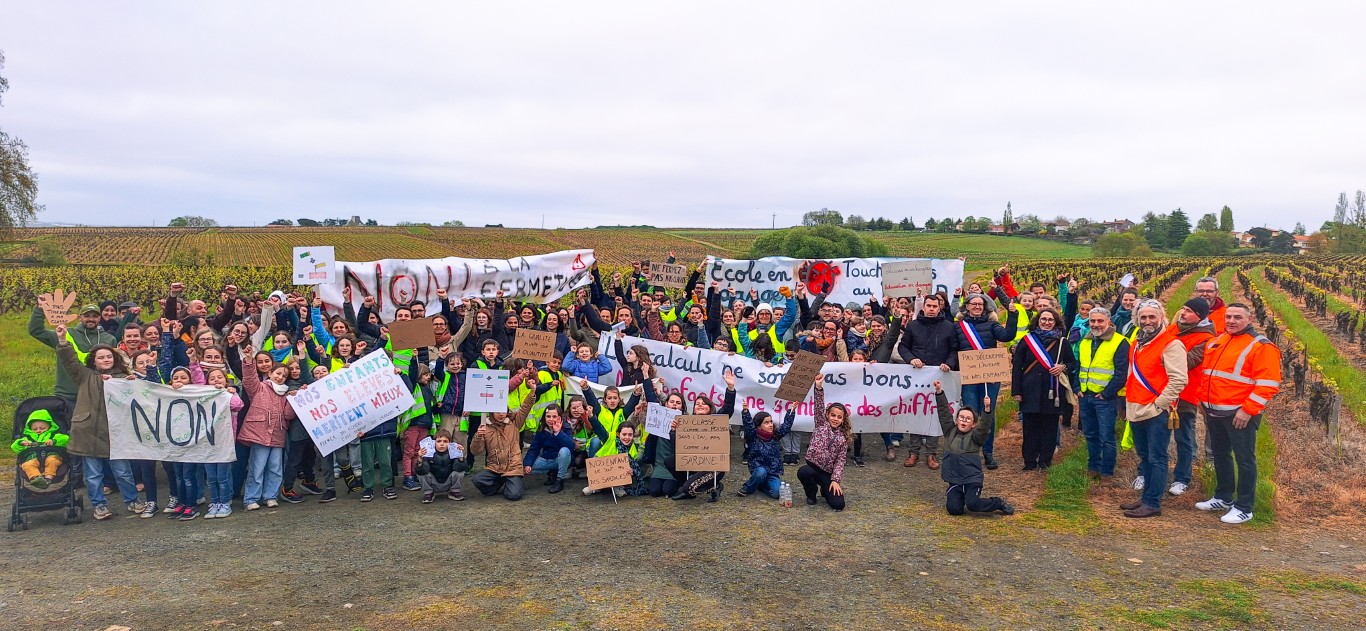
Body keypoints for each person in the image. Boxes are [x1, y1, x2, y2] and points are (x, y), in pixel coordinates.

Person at [1195, 303, 1282, 525]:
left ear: (1249, 318)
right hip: (1213, 411)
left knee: (1245, 459)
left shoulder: (1261, 346)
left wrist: (1247, 411)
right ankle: (1223, 497)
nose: (1232, 321)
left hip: (1239, 413)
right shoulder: (1218, 340)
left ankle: (1244, 507)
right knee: (1220, 454)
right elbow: (1206, 374)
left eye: (1237, 317)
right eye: (1229, 316)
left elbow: (1268, 384)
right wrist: (1201, 400)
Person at [55, 324, 143, 521]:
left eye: (109, 356)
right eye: (101, 357)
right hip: (88, 432)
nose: (105, 359)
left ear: (115, 359)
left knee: (123, 472)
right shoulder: (84, 376)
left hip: (115, 433)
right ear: (93, 361)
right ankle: (99, 506)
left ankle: (132, 501)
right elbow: (69, 361)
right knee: (93, 475)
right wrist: (62, 340)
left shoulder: (123, 378)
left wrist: (132, 383)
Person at [1119, 299, 1188, 519]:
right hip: (1137, 408)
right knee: (1144, 456)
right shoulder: (1137, 342)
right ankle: (1146, 497)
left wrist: (1159, 404)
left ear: (1161, 318)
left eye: (1152, 317)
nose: (1147, 321)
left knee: (1157, 457)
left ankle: (1153, 502)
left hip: (1155, 411)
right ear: (1137, 319)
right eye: (1143, 317)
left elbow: (1179, 379)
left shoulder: (1171, 343)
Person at [954, 293, 1021, 470]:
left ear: (985, 307)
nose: (977, 307)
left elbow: (1006, 336)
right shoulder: (959, 327)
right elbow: (953, 348)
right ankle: (970, 452)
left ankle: (988, 453)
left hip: (990, 376)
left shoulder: (992, 325)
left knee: (988, 414)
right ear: (966, 306)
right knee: (970, 413)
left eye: (980, 304)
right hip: (969, 377)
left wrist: (1013, 315)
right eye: (973, 304)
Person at [933, 380, 1014, 516]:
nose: (964, 421)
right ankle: (958, 497)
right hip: (955, 479)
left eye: (968, 419)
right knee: (954, 510)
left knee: (973, 505)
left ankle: (997, 503)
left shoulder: (976, 437)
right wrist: (939, 392)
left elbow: (984, 427)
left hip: (972, 479)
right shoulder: (949, 431)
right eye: (962, 418)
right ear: (956, 420)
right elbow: (943, 412)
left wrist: (987, 409)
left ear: (973, 424)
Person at [898, 293, 959, 470]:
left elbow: (954, 350)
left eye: (935, 306)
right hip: (917, 378)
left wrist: (949, 363)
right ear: (923, 307)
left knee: (935, 414)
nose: (931, 309)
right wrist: (911, 359)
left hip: (939, 378)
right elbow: (903, 346)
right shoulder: (913, 326)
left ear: (939, 307)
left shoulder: (948, 327)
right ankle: (913, 452)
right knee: (916, 413)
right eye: (929, 306)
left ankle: (931, 453)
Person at [1011, 307, 1074, 471]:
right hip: (1029, 390)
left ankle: (1045, 461)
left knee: (1050, 428)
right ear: (1037, 321)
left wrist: (1063, 367)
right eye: (1043, 319)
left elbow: (1073, 364)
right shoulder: (1027, 340)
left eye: (1050, 320)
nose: (1046, 323)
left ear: (1056, 322)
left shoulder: (1062, 342)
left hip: (1053, 391)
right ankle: (1029, 461)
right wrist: (1016, 391)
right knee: (1030, 428)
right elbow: (1017, 367)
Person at [238, 347, 300, 511]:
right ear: (271, 373)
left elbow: (288, 415)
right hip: (259, 433)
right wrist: (249, 360)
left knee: (275, 467)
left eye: (284, 376)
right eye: (278, 374)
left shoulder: (286, 394)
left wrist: (295, 401)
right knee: (257, 467)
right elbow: (249, 379)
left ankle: (271, 496)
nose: (280, 377)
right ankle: (251, 498)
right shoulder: (260, 387)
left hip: (278, 435)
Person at [1167, 298, 1216, 496]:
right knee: (1158, 437)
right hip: (1163, 392)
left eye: (1188, 310)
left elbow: (1187, 362)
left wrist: (1161, 355)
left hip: (1185, 394)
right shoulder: (1174, 329)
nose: (1183, 313)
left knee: (1184, 438)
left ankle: (1182, 478)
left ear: (1200, 315)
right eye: (1183, 308)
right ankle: (1152, 475)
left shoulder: (1205, 338)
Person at [1075, 307, 1129, 484]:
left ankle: (1107, 471)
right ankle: (1093, 467)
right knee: (1090, 434)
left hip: (1105, 398)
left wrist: (1106, 393)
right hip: (1086, 396)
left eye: (1100, 321)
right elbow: (1079, 366)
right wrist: (1077, 387)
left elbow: (1122, 373)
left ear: (1109, 322)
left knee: (1107, 436)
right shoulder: (1085, 341)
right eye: (1092, 321)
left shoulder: (1120, 342)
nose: (1096, 325)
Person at [32, 303, 117, 408]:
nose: (91, 319)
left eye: (95, 316)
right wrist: (40, 309)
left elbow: (114, 366)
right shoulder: (65, 334)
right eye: (86, 316)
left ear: (100, 318)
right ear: (79, 317)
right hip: (68, 394)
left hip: (98, 393)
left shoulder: (110, 339)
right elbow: (36, 331)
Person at [471, 390, 537, 501]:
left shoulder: (515, 422)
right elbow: (475, 451)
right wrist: (478, 436)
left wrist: (532, 391)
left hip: (513, 467)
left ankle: (511, 482)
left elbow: (525, 408)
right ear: (492, 412)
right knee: (478, 480)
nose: (501, 414)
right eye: (498, 411)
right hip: (495, 468)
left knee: (513, 495)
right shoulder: (485, 428)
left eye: (503, 411)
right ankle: (498, 484)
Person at [797, 374, 848, 511]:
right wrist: (818, 388)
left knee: (838, 505)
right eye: (833, 415)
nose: (835, 419)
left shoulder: (842, 439)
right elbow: (818, 407)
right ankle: (811, 493)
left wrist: (835, 480)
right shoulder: (821, 424)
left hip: (827, 474)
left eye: (839, 417)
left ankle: (825, 491)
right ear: (827, 415)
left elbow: (840, 462)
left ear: (843, 420)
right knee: (803, 472)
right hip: (813, 467)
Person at [203, 367, 243, 518]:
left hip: (225, 443)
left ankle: (225, 502)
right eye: (212, 378)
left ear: (226, 381)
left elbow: (238, 406)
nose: (216, 380)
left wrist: (227, 392)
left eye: (219, 377)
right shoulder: (204, 396)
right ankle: (215, 502)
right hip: (207, 443)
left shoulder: (229, 394)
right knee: (211, 477)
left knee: (222, 476)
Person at [737, 405, 795, 500]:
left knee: (776, 494)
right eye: (766, 423)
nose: (770, 424)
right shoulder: (753, 437)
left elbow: (786, 426)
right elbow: (748, 425)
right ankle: (748, 488)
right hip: (759, 469)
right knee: (761, 472)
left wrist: (792, 411)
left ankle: (761, 486)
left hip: (773, 472)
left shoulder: (775, 436)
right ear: (759, 426)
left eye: (771, 421)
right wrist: (745, 412)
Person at [523, 404, 576, 494]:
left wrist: (558, 432)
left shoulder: (566, 427)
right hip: (547, 458)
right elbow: (534, 449)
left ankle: (560, 480)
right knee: (527, 467)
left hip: (562, 459)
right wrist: (528, 464)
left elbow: (571, 446)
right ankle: (553, 471)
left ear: (560, 417)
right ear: (544, 417)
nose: (551, 419)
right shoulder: (541, 429)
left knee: (564, 451)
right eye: (548, 416)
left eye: (554, 416)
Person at [12, 409, 68, 489]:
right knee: (27, 465)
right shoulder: (27, 438)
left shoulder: (54, 435)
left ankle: (48, 478)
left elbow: (66, 439)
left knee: (53, 460)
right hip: (32, 458)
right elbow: (14, 447)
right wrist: (21, 443)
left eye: (42, 428)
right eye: (35, 429)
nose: (38, 430)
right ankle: (37, 479)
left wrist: (54, 441)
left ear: (49, 426)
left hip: (51, 455)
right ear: (30, 428)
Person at [416, 431, 467, 503]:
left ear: (450, 443)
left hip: (448, 482)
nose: (442, 444)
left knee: (460, 471)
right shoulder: (428, 452)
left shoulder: (454, 451)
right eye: (439, 441)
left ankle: (454, 492)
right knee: (420, 471)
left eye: (445, 441)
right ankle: (428, 493)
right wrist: (420, 459)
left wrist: (460, 457)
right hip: (433, 482)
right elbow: (422, 471)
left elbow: (460, 468)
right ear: (434, 443)